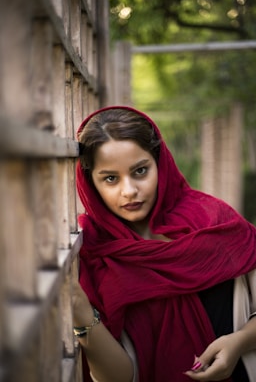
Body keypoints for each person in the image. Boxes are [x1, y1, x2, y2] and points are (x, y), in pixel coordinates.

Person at [73, 106, 256, 382]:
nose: (129, 190)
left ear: (160, 163)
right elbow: (118, 377)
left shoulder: (214, 220)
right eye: (110, 178)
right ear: (90, 183)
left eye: (140, 171)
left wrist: (239, 342)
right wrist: (81, 315)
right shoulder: (93, 254)